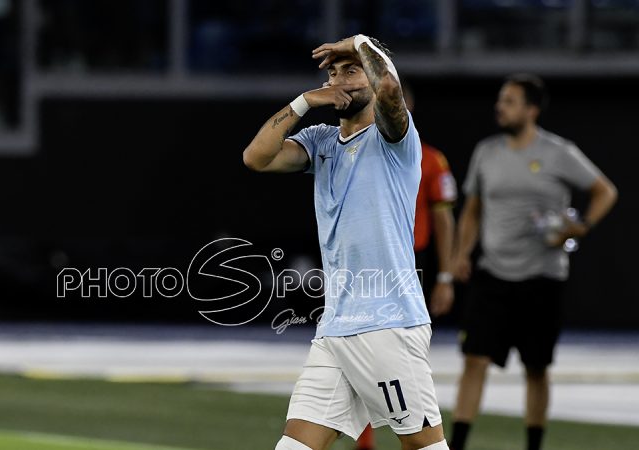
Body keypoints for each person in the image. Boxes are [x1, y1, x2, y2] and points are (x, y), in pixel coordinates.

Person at [243, 34, 449, 450]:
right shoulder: (320, 141)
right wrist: (306, 101)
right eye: (333, 73)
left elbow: (390, 89)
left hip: (388, 323)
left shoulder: (397, 139)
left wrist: (360, 43)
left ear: (373, 78)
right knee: (295, 445)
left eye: (351, 71)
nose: (339, 81)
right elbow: (256, 157)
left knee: (424, 446)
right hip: (335, 327)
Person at [448, 74, 618, 450]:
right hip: (493, 273)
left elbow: (605, 191)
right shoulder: (486, 152)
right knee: (474, 359)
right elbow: (473, 210)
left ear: (531, 109)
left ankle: (534, 444)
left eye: (509, 101)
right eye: (500, 100)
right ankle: (456, 444)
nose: (500, 107)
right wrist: (461, 254)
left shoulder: (559, 152)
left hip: (543, 276)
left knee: (536, 368)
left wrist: (581, 227)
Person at [356, 84, 458, 450]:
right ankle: (369, 439)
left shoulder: (430, 160)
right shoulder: (356, 154)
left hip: (410, 262)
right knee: (361, 345)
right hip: (367, 264)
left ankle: (420, 437)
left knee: (401, 353)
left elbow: (444, 220)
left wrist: (446, 275)